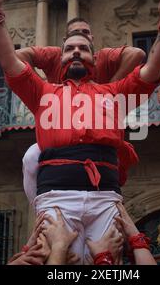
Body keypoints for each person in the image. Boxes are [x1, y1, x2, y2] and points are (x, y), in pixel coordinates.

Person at [0, 0, 160, 264]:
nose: (76, 51)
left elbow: (150, 69)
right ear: (60, 58)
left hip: (105, 197)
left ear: (94, 58)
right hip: (57, 198)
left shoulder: (114, 93)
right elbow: (9, 60)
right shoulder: (42, 92)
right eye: (69, 49)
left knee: (109, 267)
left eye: (83, 48)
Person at [18, 17, 146, 204]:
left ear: (91, 39)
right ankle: (40, 211)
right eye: (73, 35)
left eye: (85, 33)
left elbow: (137, 54)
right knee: (30, 157)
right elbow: (17, 56)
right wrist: (42, 86)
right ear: (64, 43)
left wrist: (109, 87)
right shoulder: (55, 55)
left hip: (100, 130)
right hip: (60, 133)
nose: (80, 37)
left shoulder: (102, 56)